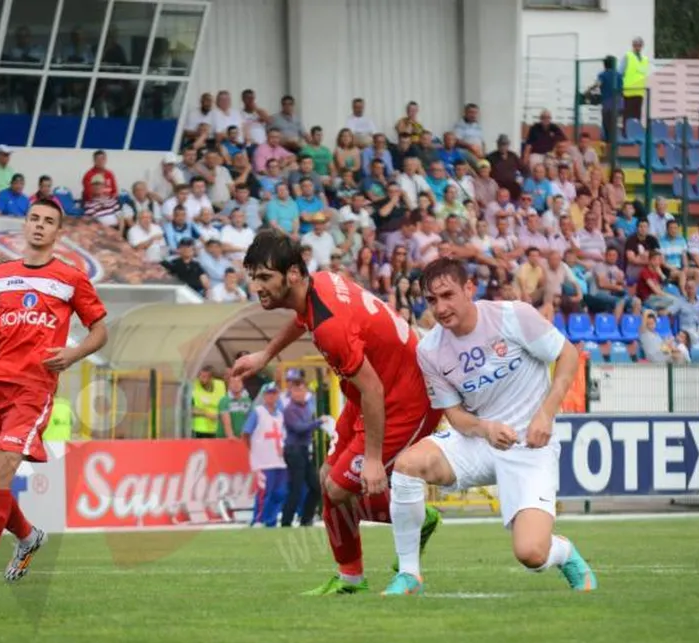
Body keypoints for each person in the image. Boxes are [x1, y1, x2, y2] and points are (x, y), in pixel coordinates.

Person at [232, 233, 444, 595]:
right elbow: (303, 319)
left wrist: (373, 460)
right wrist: (265, 355)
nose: (257, 287)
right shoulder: (320, 285)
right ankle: (350, 579)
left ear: (293, 274)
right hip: (372, 393)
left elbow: (373, 389)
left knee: (338, 487)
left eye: (265, 277)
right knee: (328, 479)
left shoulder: (331, 328)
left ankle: (417, 517)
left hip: (406, 400)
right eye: (254, 277)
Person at [382, 257, 596, 596]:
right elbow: (455, 416)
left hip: (530, 445)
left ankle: (564, 552)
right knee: (407, 465)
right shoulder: (430, 350)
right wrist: (485, 429)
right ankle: (409, 575)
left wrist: (546, 414)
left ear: (470, 288)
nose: (440, 308)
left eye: (448, 295)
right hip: (480, 440)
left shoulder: (513, 316)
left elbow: (567, 355)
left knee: (531, 554)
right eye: (432, 300)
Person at [0, 200, 108, 587]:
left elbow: (101, 330)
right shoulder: (1, 274)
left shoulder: (71, 278)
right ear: (24, 225)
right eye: (34, 219)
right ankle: (28, 536)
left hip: (32, 389)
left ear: (58, 233)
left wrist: (73, 354)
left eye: (48, 221)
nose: (40, 225)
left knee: (1, 475)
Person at [242, 382, 287, 527]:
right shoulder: (258, 412)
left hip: (279, 460)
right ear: (264, 396)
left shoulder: (280, 414)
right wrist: (254, 450)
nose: (271, 396)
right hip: (263, 461)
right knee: (264, 492)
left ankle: (271, 520)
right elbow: (246, 433)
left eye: (274, 393)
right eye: (269, 393)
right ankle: (259, 519)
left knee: (279, 492)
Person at [281, 377, 323, 528]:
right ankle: (286, 522)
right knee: (296, 488)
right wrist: (318, 422)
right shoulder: (289, 410)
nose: (299, 393)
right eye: (296, 390)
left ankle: (306, 519)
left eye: (301, 390)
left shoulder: (306, 407)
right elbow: (299, 428)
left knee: (316, 487)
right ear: (291, 392)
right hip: (294, 451)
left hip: (304, 450)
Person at [190, 366, 225, 438]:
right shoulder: (193, 387)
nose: (201, 379)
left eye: (204, 377)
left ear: (211, 378)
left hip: (217, 429)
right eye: (200, 376)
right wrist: (206, 413)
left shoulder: (220, 385)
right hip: (199, 430)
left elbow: (225, 405)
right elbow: (189, 409)